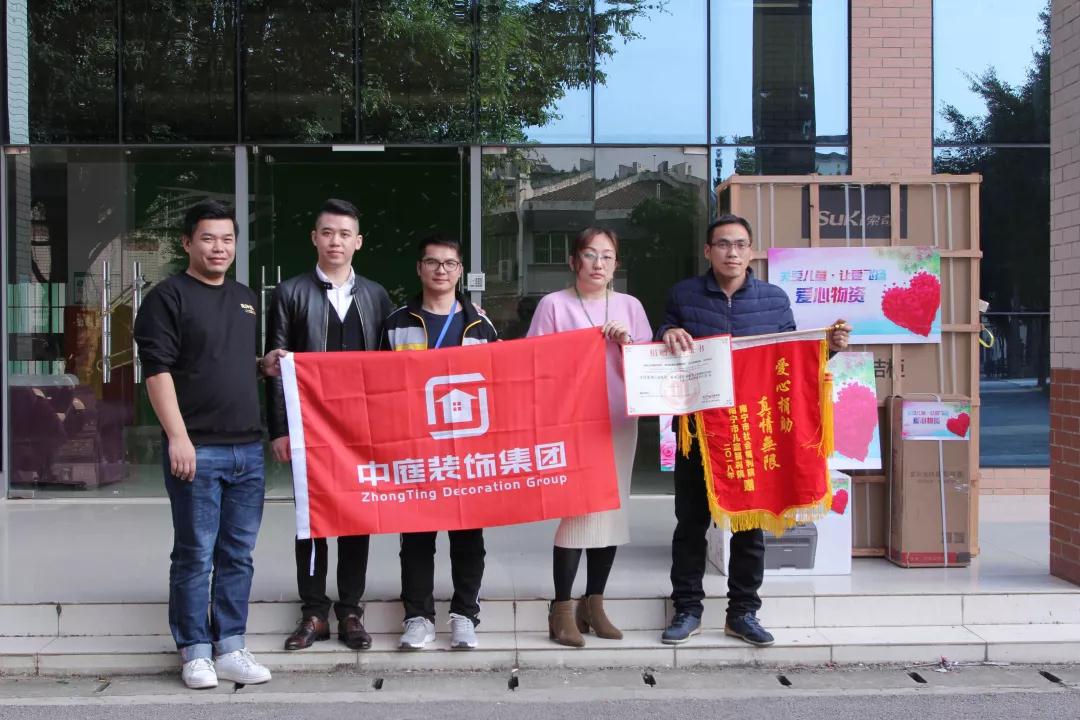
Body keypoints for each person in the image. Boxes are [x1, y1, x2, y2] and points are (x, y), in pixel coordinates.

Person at [656, 214, 851, 648]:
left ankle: (743, 612)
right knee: (690, 523)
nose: (732, 252)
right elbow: (661, 336)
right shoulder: (684, 294)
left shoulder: (773, 300)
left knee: (751, 524)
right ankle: (687, 609)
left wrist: (829, 349)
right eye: (723, 244)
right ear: (708, 251)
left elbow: (791, 360)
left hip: (754, 431)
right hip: (699, 430)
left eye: (740, 244)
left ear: (751, 252)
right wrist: (669, 331)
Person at [134, 200, 286, 689]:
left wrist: (262, 366)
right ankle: (195, 650)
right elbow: (157, 372)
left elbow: (221, 361)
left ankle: (231, 645)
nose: (219, 248)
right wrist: (178, 437)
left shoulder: (244, 298)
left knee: (238, 553)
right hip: (197, 449)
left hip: (247, 449)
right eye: (208, 238)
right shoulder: (167, 297)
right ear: (187, 243)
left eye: (227, 239)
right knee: (195, 554)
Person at [265, 198, 394, 653]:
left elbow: (391, 369)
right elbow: (276, 365)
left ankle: (351, 610)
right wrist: (279, 428)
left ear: (358, 242)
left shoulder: (376, 296)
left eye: (344, 234)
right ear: (314, 238)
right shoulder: (290, 293)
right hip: (308, 426)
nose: (335, 241)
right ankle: (314, 612)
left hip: (362, 428)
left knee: (359, 516)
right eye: (327, 232)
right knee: (313, 519)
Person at [526, 226, 652, 648]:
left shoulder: (630, 306)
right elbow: (534, 362)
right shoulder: (554, 305)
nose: (599, 263)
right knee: (577, 513)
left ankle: (593, 603)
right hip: (573, 425)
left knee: (613, 512)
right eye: (590, 254)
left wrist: (626, 342)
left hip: (618, 421)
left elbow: (649, 368)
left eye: (607, 256)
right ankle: (561, 607)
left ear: (616, 264)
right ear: (573, 261)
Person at [382, 234, 499, 651]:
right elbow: (375, 383)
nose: (441, 270)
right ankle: (418, 618)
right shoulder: (397, 322)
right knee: (416, 537)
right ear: (420, 268)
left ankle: (465, 615)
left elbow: (500, 383)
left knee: (468, 537)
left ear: (460, 271)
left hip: (466, 450)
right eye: (432, 262)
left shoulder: (480, 325)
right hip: (414, 447)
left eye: (450, 263)